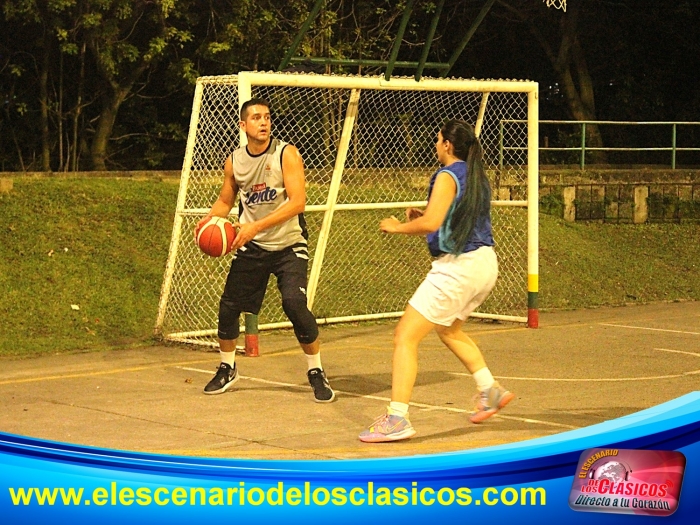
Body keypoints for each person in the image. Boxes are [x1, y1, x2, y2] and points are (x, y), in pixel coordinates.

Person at [359, 119, 513, 442]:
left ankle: (397, 418)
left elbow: (432, 222)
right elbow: (453, 219)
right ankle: (490, 390)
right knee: (448, 329)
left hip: (458, 268)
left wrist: (397, 226)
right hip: (485, 263)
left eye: (438, 139)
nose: (435, 144)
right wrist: (428, 220)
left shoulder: (447, 175)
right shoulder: (477, 176)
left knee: (405, 336)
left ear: (447, 145)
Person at [195, 98, 334, 403]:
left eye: (267, 117)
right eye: (256, 117)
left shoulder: (287, 154)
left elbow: (298, 202)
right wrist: (209, 219)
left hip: (288, 244)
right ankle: (227, 367)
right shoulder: (234, 161)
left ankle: (316, 371)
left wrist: (255, 227)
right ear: (243, 125)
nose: (263, 122)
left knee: (294, 304)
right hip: (254, 246)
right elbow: (225, 200)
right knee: (229, 306)